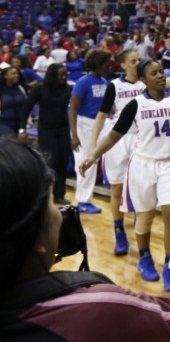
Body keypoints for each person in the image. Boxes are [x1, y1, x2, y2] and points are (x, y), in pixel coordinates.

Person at [0, 137, 170, 342]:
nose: (61, 214)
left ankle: (163, 262)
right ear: (34, 237)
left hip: (162, 169)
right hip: (144, 167)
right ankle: (143, 253)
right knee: (143, 218)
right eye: (50, 203)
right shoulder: (96, 311)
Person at [80, 60, 170, 292]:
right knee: (145, 217)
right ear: (143, 80)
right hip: (143, 165)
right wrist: (93, 155)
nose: (160, 76)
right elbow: (114, 135)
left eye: (161, 72)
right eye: (154, 73)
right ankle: (144, 257)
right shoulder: (135, 105)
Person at [88, 50, 144, 256]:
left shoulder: (147, 82)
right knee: (117, 190)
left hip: (141, 139)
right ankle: (119, 231)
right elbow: (101, 116)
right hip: (119, 139)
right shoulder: (115, 86)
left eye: (139, 60)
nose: (138, 63)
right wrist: (93, 148)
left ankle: (141, 233)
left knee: (140, 191)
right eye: (134, 61)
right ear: (123, 65)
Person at [18, 64, 73, 205]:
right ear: (53, 75)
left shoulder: (68, 89)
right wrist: (22, 128)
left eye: (66, 75)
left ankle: (59, 195)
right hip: (46, 130)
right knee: (50, 161)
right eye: (61, 75)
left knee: (63, 162)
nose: (64, 78)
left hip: (63, 130)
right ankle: (42, 194)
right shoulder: (40, 89)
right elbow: (26, 108)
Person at [69, 49, 112, 215]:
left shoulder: (104, 81)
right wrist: (74, 135)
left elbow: (108, 104)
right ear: (97, 65)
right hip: (84, 124)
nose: (109, 68)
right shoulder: (83, 82)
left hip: (101, 123)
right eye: (106, 65)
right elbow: (72, 108)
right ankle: (83, 201)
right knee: (87, 162)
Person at [0, 66, 27, 136]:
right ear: (5, 76)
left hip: (20, 124)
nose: (16, 75)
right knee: (10, 141)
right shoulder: (1, 90)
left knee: (22, 143)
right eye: (13, 74)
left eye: (17, 73)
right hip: (4, 123)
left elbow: (26, 107)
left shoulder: (21, 88)